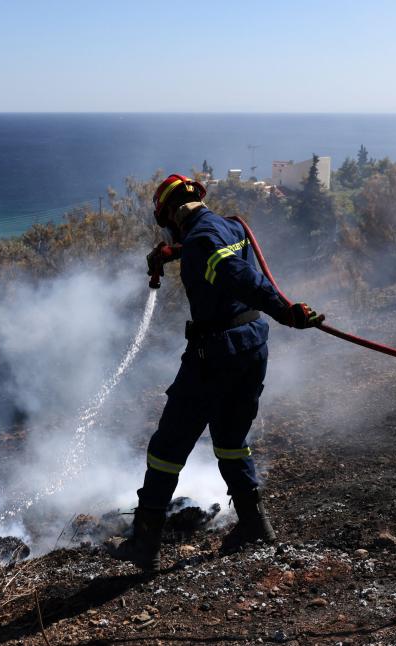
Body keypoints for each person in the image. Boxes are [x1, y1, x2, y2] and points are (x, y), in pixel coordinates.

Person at [106, 174, 324, 570]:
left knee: (167, 448)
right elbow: (212, 251)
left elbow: (235, 274)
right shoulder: (231, 227)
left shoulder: (202, 242)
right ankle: (255, 525)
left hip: (215, 353)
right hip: (252, 345)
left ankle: (145, 542)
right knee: (231, 439)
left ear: (171, 214)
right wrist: (171, 253)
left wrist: (286, 312)